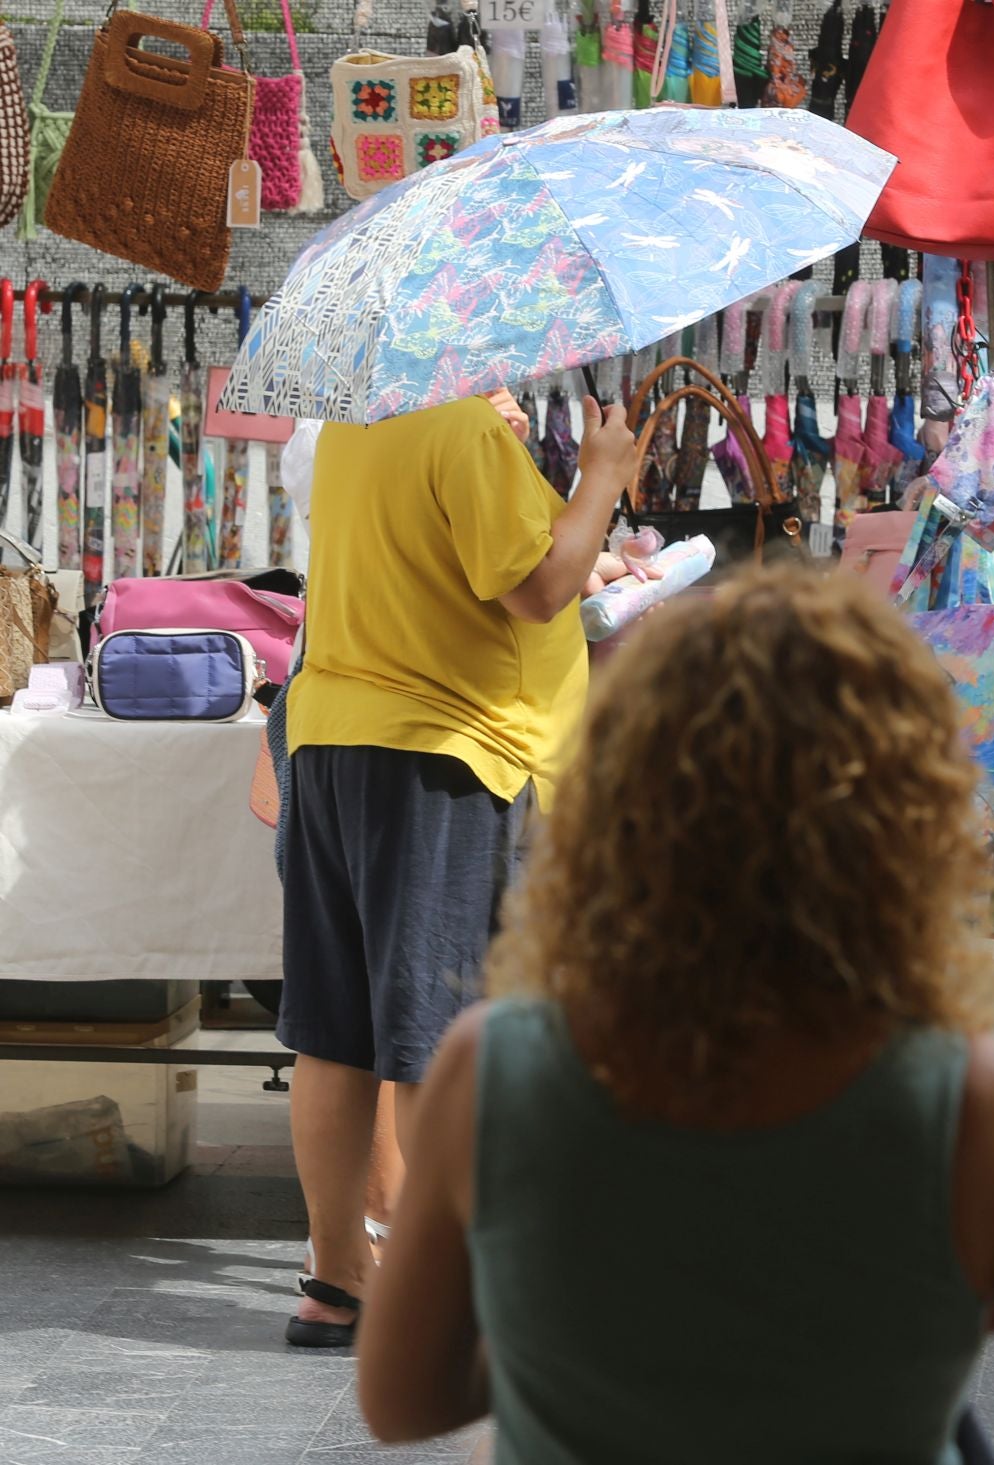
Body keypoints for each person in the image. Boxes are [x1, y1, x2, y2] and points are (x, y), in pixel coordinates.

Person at [355, 569, 994, 1465]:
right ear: (908, 821)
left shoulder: (499, 1068)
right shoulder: (974, 1108)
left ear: (619, 811)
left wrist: (576, 1326)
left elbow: (401, 1399)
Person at [277, 388, 643, 1347]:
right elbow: (538, 587)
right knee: (437, 1033)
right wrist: (601, 475)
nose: (518, 387)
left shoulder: (358, 425)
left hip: (331, 742)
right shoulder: (463, 430)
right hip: (442, 752)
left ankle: (336, 1281)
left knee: (335, 1029)